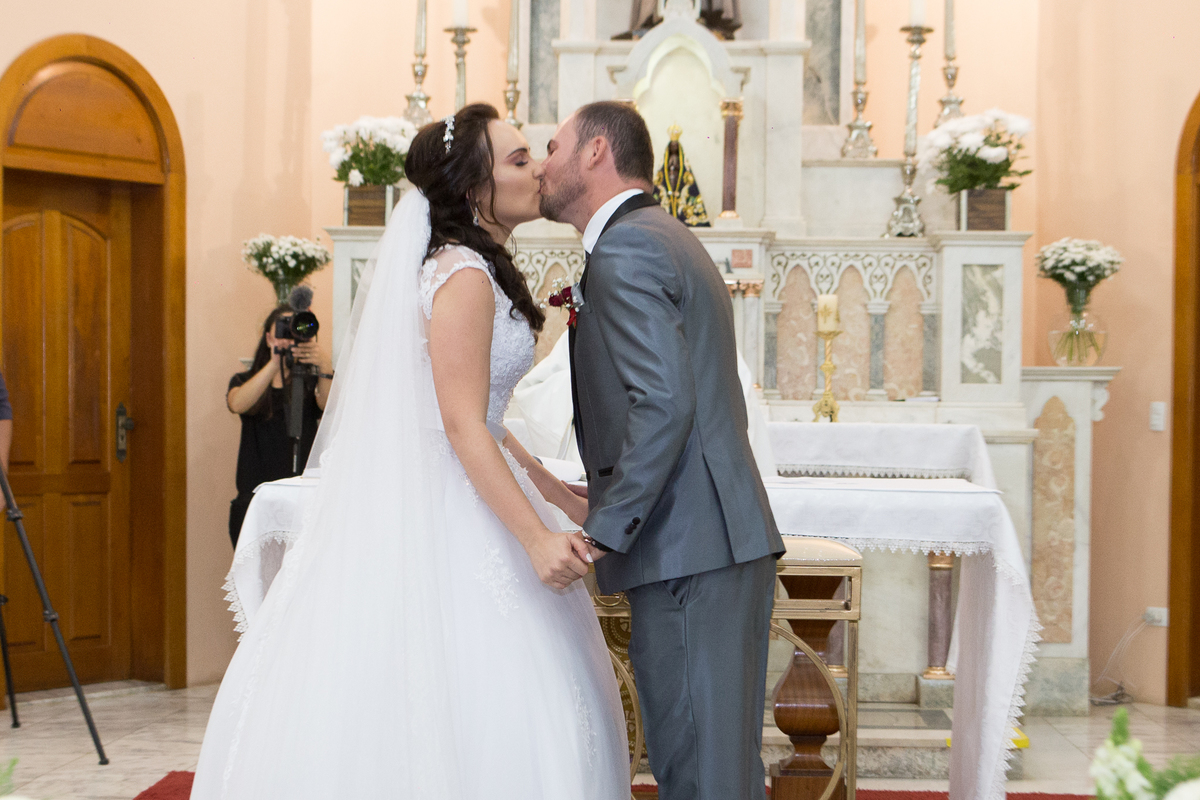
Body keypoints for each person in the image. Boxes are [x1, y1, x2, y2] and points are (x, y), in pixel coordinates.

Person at [190, 103, 628, 799]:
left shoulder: (468, 267)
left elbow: (478, 414)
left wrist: (552, 491)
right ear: (471, 188)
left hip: (462, 478)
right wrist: (535, 539)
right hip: (452, 505)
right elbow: (461, 426)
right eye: (518, 160)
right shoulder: (463, 277)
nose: (538, 168)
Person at [535, 101, 785, 800]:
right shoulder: (661, 234)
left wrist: (604, 531)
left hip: (687, 550)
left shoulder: (629, 247)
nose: (543, 162)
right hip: (705, 543)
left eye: (553, 146)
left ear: (594, 153)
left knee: (701, 773)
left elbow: (665, 402)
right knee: (717, 770)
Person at [225, 302, 331, 547]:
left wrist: (324, 366)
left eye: (294, 330)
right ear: (268, 337)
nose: (288, 338)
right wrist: (274, 364)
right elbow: (237, 403)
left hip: (301, 501)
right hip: (255, 502)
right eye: (283, 329)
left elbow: (328, 406)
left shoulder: (308, 381)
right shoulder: (245, 380)